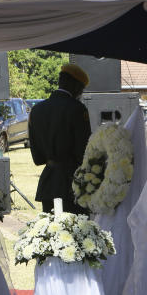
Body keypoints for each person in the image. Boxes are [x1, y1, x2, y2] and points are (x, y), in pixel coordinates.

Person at [28, 64, 91, 214]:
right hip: (72, 183)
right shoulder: (77, 109)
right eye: (81, 89)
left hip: (48, 183)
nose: (80, 93)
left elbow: (37, 158)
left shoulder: (37, 110)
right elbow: (83, 151)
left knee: (52, 233)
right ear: (75, 86)